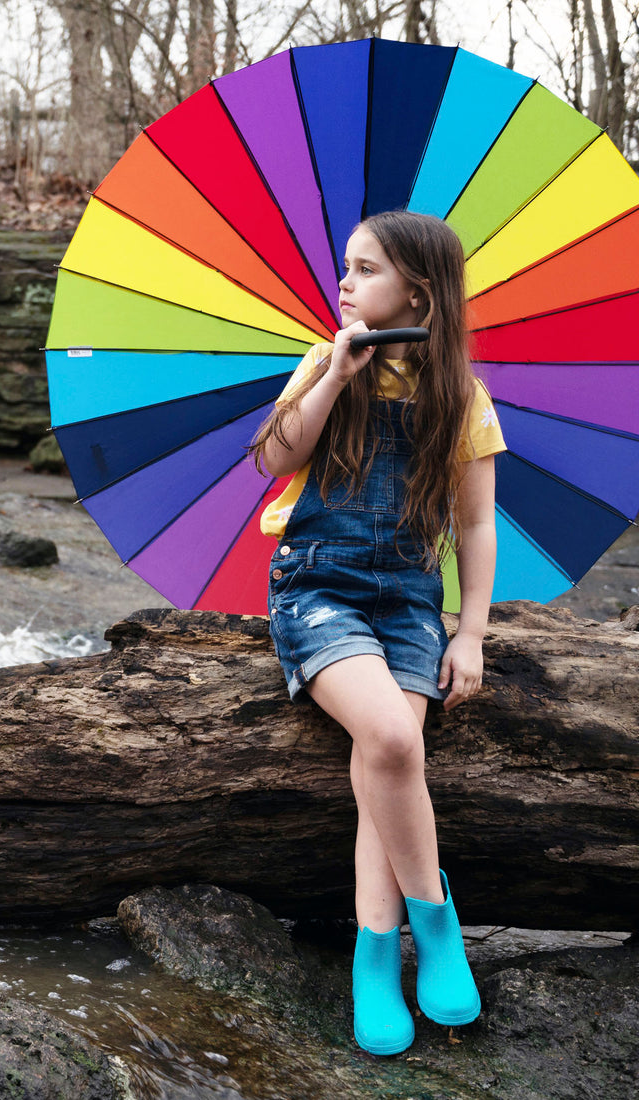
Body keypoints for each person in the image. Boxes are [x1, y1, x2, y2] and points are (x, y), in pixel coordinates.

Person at [251, 210, 505, 1056]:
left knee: (382, 761)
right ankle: (434, 927)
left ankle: (371, 955)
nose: (344, 283)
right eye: (346, 269)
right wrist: (331, 376)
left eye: (364, 270)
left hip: (406, 597)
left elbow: (474, 526)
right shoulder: (327, 363)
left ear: (418, 292)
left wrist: (469, 632)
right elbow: (275, 459)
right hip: (317, 588)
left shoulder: (461, 396)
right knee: (395, 735)